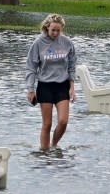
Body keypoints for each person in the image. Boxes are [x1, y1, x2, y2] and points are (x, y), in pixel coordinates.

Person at [25, 13, 77, 151]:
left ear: (62, 29)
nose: (55, 33)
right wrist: (30, 89)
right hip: (45, 86)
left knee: (63, 121)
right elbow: (31, 67)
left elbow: (72, 65)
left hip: (62, 86)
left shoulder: (67, 43)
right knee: (47, 124)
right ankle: (44, 153)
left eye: (58, 30)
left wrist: (72, 87)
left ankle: (54, 146)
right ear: (47, 27)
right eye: (53, 30)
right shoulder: (38, 44)